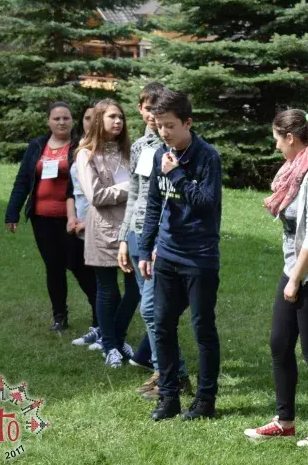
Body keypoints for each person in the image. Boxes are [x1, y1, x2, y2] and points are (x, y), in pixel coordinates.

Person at [245, 110, 308, 447]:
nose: (275, 146)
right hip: (295, 269)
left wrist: (296, 280)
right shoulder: (296, 170)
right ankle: (284, 421)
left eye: (277, 138)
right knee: (279, 344)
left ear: (290, 137)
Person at [139, 89, 223, 422]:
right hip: (167, 255)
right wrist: (145, 248)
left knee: (203, 329)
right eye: (159, 125)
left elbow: (205, 204)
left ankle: (205, 400)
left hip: (199, 258)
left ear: (188, 123)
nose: (164, 132)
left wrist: (176, 174)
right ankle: (169, 396)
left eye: (170, 125)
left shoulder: (207, 157)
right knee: (162, 325)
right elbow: (154, 204)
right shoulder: (161, 153)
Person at [116, 83, 191, 399]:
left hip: (162, 236)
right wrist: (124, 237)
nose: (152, 115)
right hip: (137, 234)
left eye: (157, 110)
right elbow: (134, 192)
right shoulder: (139, 147)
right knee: (150, 309)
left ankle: (174, 374)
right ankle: (165, 371)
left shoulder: (175, 146)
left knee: (152, 308)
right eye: (148, 109)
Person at [5, 102, 97, 332]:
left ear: (72, 121)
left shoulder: (80, 146)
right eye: (56, 118)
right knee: (53, 268)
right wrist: (12, 212)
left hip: (72, 219)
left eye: (66, 118)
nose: (61, 122)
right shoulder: (37, 145)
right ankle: (59, 317)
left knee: (80, 267)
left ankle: (100, 315)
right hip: (42, 219)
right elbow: (23, 180)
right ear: (48, 121)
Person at [76, 99, 138, 369]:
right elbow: (96, 196)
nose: (118, 121)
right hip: (103, 228)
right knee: (107, 289)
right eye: (112, 117)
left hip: (132, 226)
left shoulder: (129, 151)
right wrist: (131, 187)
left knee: (136, 289)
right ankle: (111, 346)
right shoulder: (86, 154)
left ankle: (115, 338)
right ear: (99, 120)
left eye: (121, 117)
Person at [68, 104, 102, 348]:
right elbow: (71, 189)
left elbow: (101, 193)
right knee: (79, 268)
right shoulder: (79, 147)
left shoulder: (107, 150)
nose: (91, 122)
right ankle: (101, 324)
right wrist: (71, 218)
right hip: (78, 222)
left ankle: (105, 329)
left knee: (102, 279)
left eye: (96, 117)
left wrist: (87, 222)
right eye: (87, 118)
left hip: (98, 223)